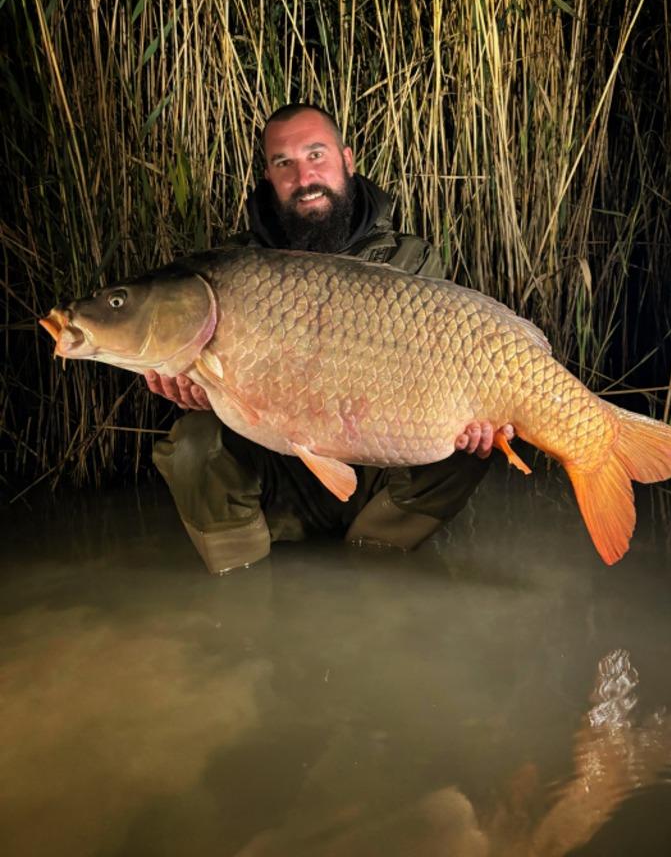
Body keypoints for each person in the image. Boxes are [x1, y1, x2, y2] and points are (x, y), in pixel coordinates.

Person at [147, 104, 513, 574]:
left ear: (347, 159)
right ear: (268, 175)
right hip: (281, 478)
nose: (305, 176)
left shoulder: (409, 260)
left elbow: (441, 385)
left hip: (381, 473)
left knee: (465, 448)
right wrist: (201, 393)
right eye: (285, 164)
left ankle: (371, 564)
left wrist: (476, 419)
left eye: (315, 155)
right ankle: (241, 586)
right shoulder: (232, 269)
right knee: (194, 441)